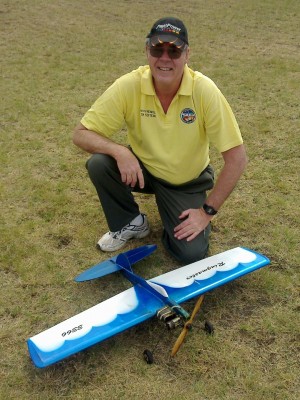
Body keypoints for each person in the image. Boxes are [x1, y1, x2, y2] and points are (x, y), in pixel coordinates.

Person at [73, 17, 247, 264]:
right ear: (147, 51)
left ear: (187, 55)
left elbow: (237, 159)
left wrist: (206, 212)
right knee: (100, 163)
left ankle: (175, 218)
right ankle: (131, 223)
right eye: (157, 49)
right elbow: (81, 133)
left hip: (185, 181)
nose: (164, 58)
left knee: (190, 253)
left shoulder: (204, 90)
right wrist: (120, 152)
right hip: (145, 169)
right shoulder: (129, 85)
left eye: (174, 50)